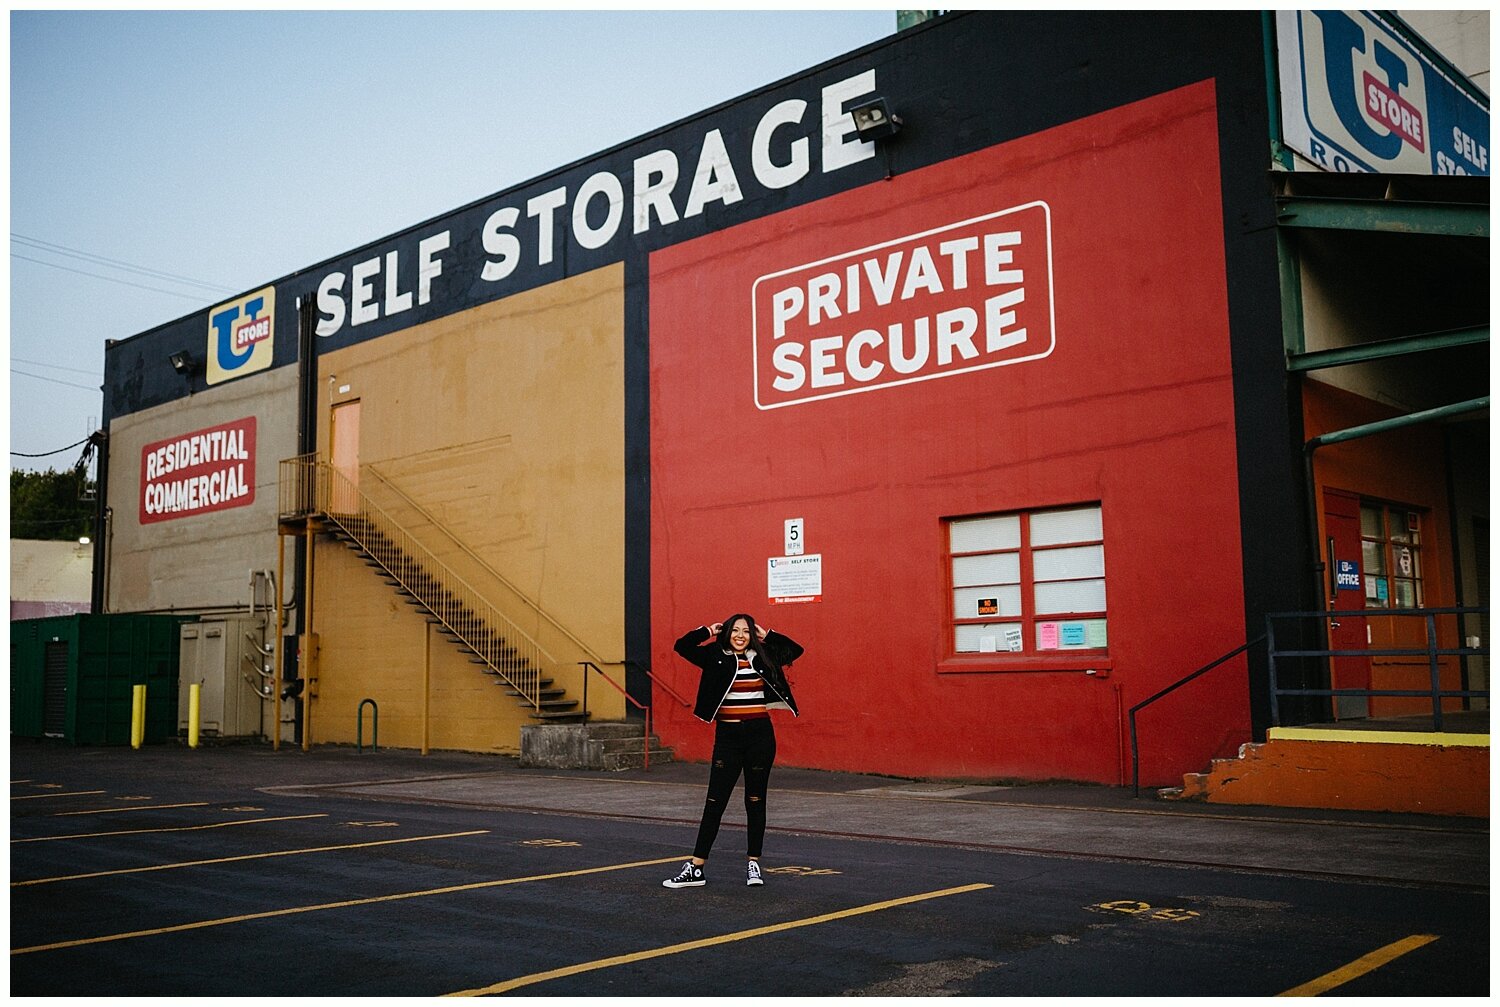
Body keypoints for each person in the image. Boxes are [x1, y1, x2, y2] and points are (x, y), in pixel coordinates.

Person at [662, 613, 803, 889]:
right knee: (714, 803)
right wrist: (708, 630)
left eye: (746, 631)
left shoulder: (763, 656)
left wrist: (767, 634)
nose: (740, 635)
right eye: (735, 630)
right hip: (728, 737)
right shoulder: (715, 654)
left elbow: (795, 651)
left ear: (753, 635)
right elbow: (682, 646)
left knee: (755, 800)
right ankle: (696, 868)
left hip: (760, 736)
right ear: (726, 633)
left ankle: (753, 864)